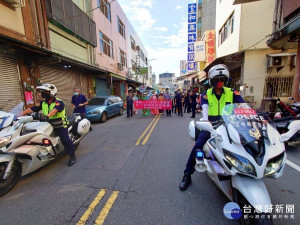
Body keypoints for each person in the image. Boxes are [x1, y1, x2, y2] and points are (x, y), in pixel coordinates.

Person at [179, 64, 245, 191]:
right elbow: (205, 108)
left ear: (226, 80)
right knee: (198, 147)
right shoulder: (206, 94)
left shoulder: (232, 93)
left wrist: (255, 117)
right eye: (216, 80)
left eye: (222, 80)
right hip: (212, 126)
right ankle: (187, 174)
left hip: (230, 126)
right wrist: (205, 121)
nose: (219, 83)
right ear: (211, 81)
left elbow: (243, 106)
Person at [20, 84, 76, 166]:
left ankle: (72, 155)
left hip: (60, 125)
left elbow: (55, 110)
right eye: (41, 92)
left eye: (44, 92)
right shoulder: (43, 103)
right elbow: (32, 109)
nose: (41, 94)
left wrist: (47, 116)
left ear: (51, 92)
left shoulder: (58, 102)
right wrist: (20, 114)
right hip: (49, 124)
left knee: (65, 139)